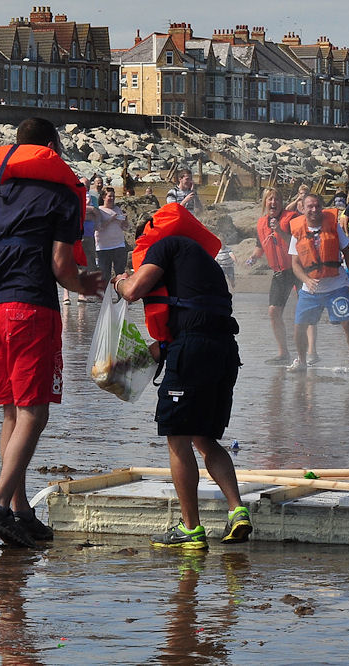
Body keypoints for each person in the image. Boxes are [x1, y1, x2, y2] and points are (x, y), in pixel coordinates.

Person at [0, 117, 105, 549]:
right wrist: (83, 285)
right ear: (51, 148)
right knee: (35, 413)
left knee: (12, 413)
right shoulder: (61, 195)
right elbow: (60, 266)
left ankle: (21, 511)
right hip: (30, 308)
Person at [114, 225, 252, 549]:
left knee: (177, 438)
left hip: (194, 352)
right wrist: (126, 367)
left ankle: (190, 528)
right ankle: (237, 511)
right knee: (205, 438)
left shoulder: (166, 245)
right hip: (225, 352)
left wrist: (119, 282)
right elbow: (182, 333)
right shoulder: (204, 264)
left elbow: (133, 291)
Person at [288, 193, 349, 376]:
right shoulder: (297, 230)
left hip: (336, 286)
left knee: (347, 323)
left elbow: (347, 253)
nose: (314, 209)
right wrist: (307, 280)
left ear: (322, 207)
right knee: (299, 325)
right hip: (310, 288)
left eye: (317, 205)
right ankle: (301, 360)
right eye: (310, 206)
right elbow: (295, 264)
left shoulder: (333, 225)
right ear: (302, 207)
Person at [246, 188, 303, 365]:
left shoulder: (292, 218)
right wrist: (253, 257)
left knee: (305, 311)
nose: (273, 202)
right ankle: (283, 352)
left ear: (281, 202)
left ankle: (309, 352)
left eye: (277, 199)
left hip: (298, 269)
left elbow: (298, 244)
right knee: (273, 312)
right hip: (280, 272)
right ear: (265, 203)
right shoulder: (262, 223)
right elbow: (259, 246)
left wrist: (279, 230)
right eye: (270, 199)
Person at [91, 186, 131, 283]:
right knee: (105, 274)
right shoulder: (99, 210)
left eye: (113, 196)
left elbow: (125, 228)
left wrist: (125, 221)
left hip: (119, 244)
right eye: (109, 196)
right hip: (103, 247)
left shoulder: (117, 209)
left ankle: (120, 296)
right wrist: (111, 219)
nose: (112, 198)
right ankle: (105, 296)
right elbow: (98, 227)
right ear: (104, 197)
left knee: (120, 273)